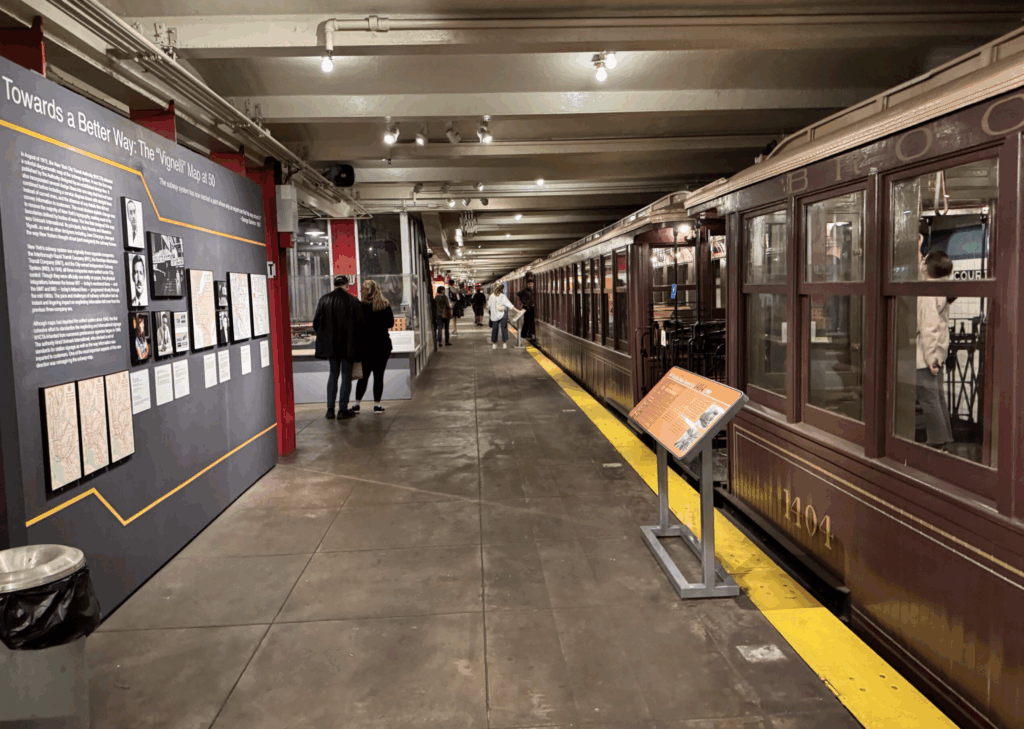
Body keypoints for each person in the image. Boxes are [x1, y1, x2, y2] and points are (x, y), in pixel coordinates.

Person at [916, 247, 954, 451]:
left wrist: (930, 358)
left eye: (925, 261)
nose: (922, 263)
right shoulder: (942, 287)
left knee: (929, 399)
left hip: (925, 355)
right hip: (939, 350)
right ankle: (945, 440)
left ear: (929, 267)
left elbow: (928, 328)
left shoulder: (927, 292)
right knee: (938, 398)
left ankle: (937, 442)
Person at [313, 274, 365, 420]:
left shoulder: (324, 300)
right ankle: (343, 410)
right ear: (347, 285)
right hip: (349, 346)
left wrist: (324, 337)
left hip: (331, 346)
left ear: (334, 285)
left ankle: (330, 410)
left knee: (333, 375)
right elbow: (361, 325)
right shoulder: (354, 301)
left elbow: (316, 323)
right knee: (346, 377)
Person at [350, 280, 394, 414]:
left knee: (363, 376)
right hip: (382, 344)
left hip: (366, 346)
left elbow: (356, 325)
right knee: (378, 376)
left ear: (369, 291)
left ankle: (357, 404)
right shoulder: (384, 305)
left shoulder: (361, 306)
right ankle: (377, 405)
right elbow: (390, 323)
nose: (361, 291)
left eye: (363, 289)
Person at [488, 283, 518, 350]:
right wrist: (518, 311)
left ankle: (494, 344)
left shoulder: (491, 296)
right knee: (504, 328)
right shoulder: (503, 296)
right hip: (502, 314)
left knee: (494, 329)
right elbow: (510, 305)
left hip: (494, 315)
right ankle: (504, 343)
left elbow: (489, 306)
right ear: (501, 289)